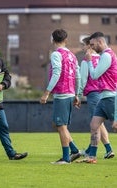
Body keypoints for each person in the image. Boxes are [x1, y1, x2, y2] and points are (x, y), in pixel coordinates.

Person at [40, 29, 81, 164]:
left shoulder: (56, 54)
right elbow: (78, 76)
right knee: (58, 125)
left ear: (52, 40)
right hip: (69, 93)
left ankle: (65, 158)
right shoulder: (72, 55)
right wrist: (76, 94)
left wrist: (46, 92)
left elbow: (57, 73)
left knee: (61, 126)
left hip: (62, 94)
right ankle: (74, 150)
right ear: (66, 40)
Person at [80, 32, 117, 164]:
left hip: (111, 97)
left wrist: (89, 61)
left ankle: (102, 152)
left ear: (100, 42)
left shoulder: (107, 55)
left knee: (115, 127)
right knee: (94, 125)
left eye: (93, 44)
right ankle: (92, 157)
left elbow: (94, 75)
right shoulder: (104, 55)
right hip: (103, 97)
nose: (92, 47)